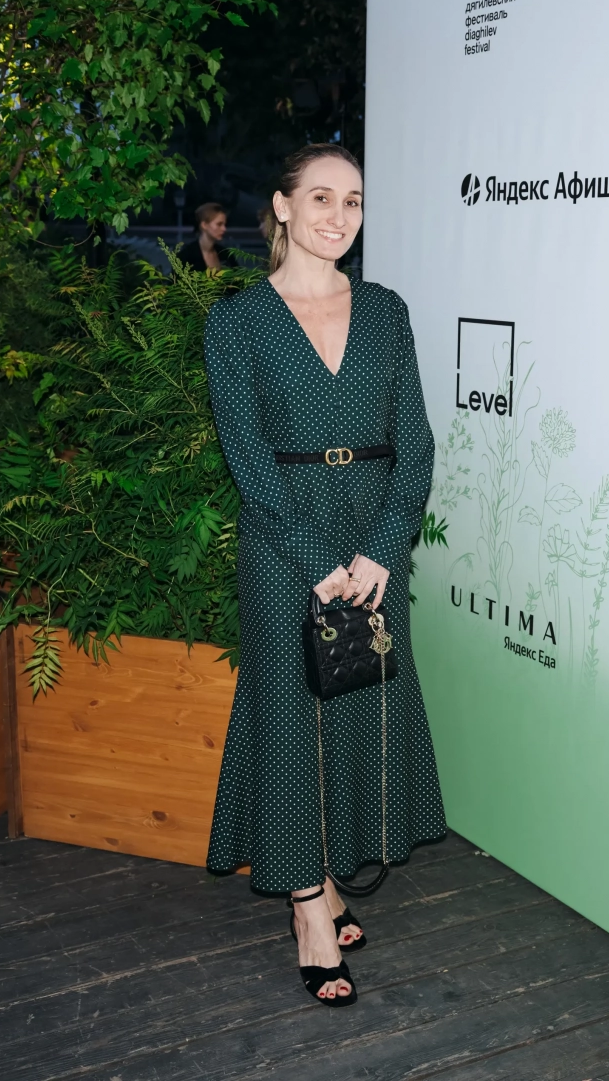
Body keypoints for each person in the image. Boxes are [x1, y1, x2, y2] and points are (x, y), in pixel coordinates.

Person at [203, 142, 446, 1008]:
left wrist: (381, 547)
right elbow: (248, 461)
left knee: (355, 699)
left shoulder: (386, 311)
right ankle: (308, 906)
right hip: (284, 538)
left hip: (374, 530)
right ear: (282, 206)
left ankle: (332, 875)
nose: (339, 216)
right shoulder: (236, 323)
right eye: (321, 197)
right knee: (288, 710)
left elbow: (416, 443)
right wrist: (316, 562)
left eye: (353, 201)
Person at [179, 201, 239, 271]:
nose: (224, 229)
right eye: (219, 224)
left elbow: (239, 276)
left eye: (224, 224)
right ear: (204, 225)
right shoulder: (185, 257)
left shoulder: (226, 255)